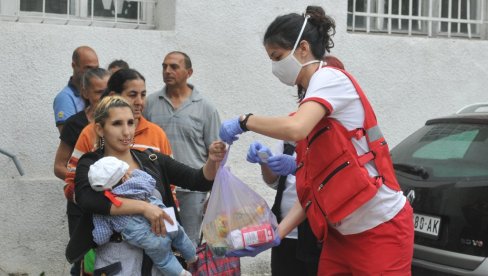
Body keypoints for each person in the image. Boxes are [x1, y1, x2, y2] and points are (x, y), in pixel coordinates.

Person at [220, 6, 413, 275]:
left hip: (381, 227)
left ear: (303, 49)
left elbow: (295, 129)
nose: (275, 67)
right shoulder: (311, 100)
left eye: (277, 57)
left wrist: (244, 120)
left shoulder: (329, 78)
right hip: (340, 234)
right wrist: (275, 234)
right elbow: (312, 194)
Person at [69, 96, 226, 275]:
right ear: (100, 128)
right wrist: (144, 208)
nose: (126, 131)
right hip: (116, 263)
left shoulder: (152, 159)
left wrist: (212, 160)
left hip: (159, 263)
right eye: (117, 124)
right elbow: (87, 199)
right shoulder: (92, 163)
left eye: (130, 123)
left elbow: (198, 180)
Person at [144, 51, 221, 246]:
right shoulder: (149, 104)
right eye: (164, 66)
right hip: (157, 189)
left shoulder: (206, 108)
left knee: (188, 244)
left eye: (174, 67)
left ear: (189, 72)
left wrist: (214, 193)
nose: (167, 71)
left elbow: (217, 155)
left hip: (192, 191)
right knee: (158, 242)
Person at [63, 68, 173, 203]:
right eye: (132, 95)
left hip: (155, 221)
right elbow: (71, 184)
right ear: (114, 96)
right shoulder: (90, 133)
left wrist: (169, 216)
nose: (140, 101)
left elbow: (170, 188)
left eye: (143, 95)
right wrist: (105, 203)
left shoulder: (157, 134)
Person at [88, 156, 197, 276]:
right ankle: (192, 256)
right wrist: (134, 173)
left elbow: (101, 236)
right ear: (124, 176)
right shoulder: (137, 183)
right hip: (167, 222)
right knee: (181, 237)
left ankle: (181, 274)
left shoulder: (105, 207)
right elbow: (151, 181)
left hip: (151, 241)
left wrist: (96, 240)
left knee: (165, 260)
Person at [53, 67, 110, 276]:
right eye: (98, 92)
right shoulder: (75, 124)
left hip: (111, 206)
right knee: (82, 262)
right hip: (81, 205)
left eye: (108, 91)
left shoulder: (118, 124)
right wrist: (84, 183)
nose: (105, 98)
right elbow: (59, 166)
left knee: (108, 261)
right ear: (85, 93)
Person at [247, 140, 320, 276]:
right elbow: (274, 182)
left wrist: (299, 166)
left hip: (314, 237)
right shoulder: (288, 141)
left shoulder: (326, 139)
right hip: (283, 233)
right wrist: (264, 162)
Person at [53, 46, 99, 134]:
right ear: (74, 66)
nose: (93, 73)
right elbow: (69, 137)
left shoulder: (98, 91)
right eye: (88, 68)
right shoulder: (64, 98)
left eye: (96, 68)